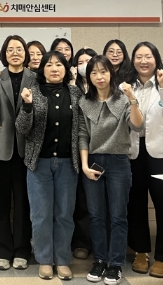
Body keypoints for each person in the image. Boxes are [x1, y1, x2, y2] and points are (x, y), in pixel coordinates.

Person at [16, 51, 83, 281]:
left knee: (64, 214)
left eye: (59, 65)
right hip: (39, 163)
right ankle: (45, 259)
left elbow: (81, 127)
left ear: (66, 69)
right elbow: (22, 128)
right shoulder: (32, 92)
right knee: (41, 215)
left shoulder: (75, 93)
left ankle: (62, 260)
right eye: (49, 65)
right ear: (42, 69)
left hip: (68, 163)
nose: (54, 69)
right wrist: (27, 107)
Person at [78, 56, 143, 285]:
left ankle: (115, 264)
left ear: (111, 73)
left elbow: (137, 125)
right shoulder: (84, 102)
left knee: (118, 216)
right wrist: (84, 165)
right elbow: (82, 135)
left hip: (118, 162)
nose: (99, 77)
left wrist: (133, 99)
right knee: (96, 216)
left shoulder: (122, 99)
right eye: (94, 72)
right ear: (89, 76)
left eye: (103, 71)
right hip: (93, 161)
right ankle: (99, 260)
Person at [125, 42, 163, 278]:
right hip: (134, 152)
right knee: (135, 204)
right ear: (133, 60)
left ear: (156, 59)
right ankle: (141, 252)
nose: (143, 61)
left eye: (148, 56)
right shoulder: (126, 86)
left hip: (161, 153)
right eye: (139, 57)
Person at [0, 35, 36, 270]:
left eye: (19, 49)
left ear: (26, 53)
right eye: (10, 49)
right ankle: (3, 251)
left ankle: (22, 250)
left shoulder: (34, 78)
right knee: (0, 203)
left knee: (24, 203)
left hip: (26, 148)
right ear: (4, 54)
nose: (15, 53)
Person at [71, 46, 98, 260]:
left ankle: (98, 243)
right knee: (79, 199)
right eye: (80, 62)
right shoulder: (72, 85)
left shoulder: (103, 85)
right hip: (75, 148)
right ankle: (80, 242)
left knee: (96, 200)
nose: (84, 66)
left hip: (99, 147)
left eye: (88, 61)